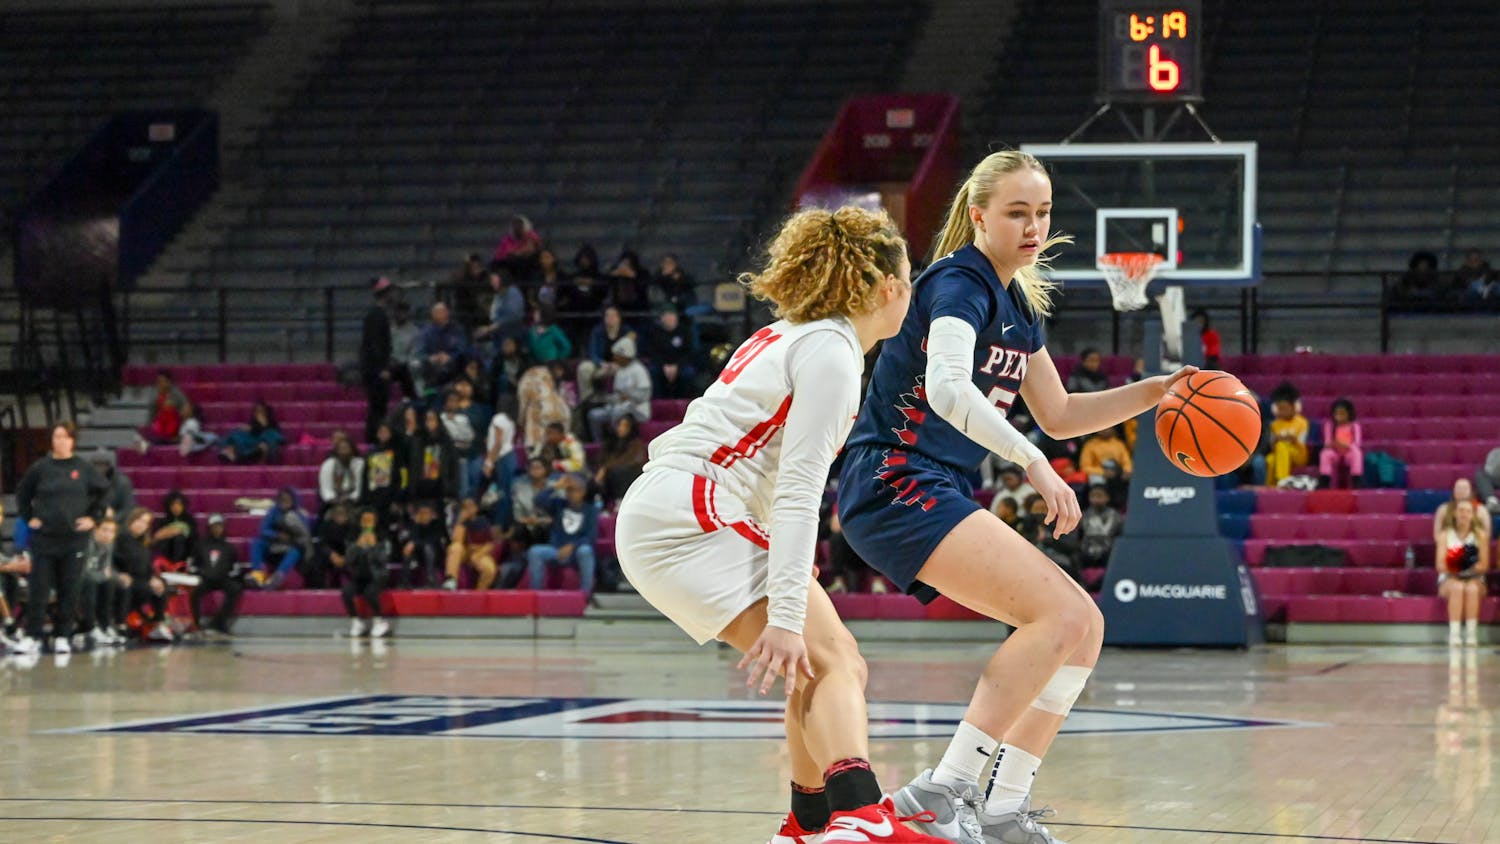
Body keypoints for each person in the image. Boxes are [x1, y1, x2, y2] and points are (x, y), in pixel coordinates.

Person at [836, 151, 1196, 843]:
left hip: (931, 483)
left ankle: (1003, 808)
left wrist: (1154, 391)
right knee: (1057, 615)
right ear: (978, 216)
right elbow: (946, 388)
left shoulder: (1018, 303)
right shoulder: (958, 283)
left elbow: (1059, 414)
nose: (1034, 227)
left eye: (1044, 213)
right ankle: (942, 791)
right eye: (1017, 213)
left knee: (1083, 626)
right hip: (892, 478)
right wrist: (1032, 463)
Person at [616, 206, 942, 843]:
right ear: (887, 288)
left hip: (674, 510)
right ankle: (862, 816)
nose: (912, 290)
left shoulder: (791, 334)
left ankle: (809, 823)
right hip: (693, 513)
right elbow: (797, 493)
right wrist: (787, 616)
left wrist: (791, 605)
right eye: (908, 278)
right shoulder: (831, 352)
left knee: (820, 664)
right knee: (835, 658)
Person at [11, 421, 111, 655]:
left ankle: (62, 635)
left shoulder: (83, 468)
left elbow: (104, 491)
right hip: (44, 539)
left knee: (70, 588)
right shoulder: (40, 468)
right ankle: (33, 636)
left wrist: (94, 518)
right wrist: (29, 517)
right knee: (39, 588)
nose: (60, 441)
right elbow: (22, 493)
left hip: (73, 539)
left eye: (65, 437)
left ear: (72, 440)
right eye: (57, 437)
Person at [528, 474, 598, 594]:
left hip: (576, 552)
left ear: (583, 492)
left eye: (575, 490)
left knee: (586, 551)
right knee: (534, 551)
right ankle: (537, 594)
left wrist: (572, 546)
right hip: (557, 550)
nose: (571, 494)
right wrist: (555, 486)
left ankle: (585, 595)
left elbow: (590, 537)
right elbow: (538, 500)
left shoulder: (591, 510)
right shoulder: (558, 505)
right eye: (569, 490)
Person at [1438, 498, 1489, 647]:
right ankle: (1454, 634)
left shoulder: (1480, 535)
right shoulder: (1445, 535)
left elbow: (1484, 565)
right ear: (1454, 513)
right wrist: (1461, 566)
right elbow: (1440, 565)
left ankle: (1471, 635)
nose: (1464, 514)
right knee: (1457, 587)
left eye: (1467, 511)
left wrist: (1461, 566)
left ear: (1473, 515)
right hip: (1449, 578)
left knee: (1471, 589)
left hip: (1475, 577)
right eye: (1461, 510)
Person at [116, 507, 171, 642]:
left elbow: (147, 566)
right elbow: (121, 562)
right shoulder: (121, 537)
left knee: (161, 585)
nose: (142, 525)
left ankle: (158, 623)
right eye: (140, 520)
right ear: (132, 520)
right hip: (123, 577)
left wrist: (153, 578)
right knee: (140, 587)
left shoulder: (142, 543)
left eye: (146, 523)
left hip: (140, 578)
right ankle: (121, 625)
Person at [586, 336, 652, 443]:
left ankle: (616, 443)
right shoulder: (620, 370)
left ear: (625, 355)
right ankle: (599, 443)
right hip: (619, 406)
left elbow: (645, 395)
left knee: (617, 413)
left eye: (617, 355)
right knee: (594, 415)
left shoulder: (639, 370)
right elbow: (617, 394)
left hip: (637, 409)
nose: (614, 358)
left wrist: (629, 396)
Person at [190, 513, 245, 637]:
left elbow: (236, 567)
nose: (217, 529)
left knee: (235, 588)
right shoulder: (200, 545)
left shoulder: (229, 547)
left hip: (223, 579)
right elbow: (192, 564)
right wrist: (200, 574)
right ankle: (196, 623)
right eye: (214, 526)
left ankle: (218, 623)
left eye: (220, 526)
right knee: (194, 591)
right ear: (209, 528)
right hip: (205, 579)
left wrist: (227, 575)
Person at [342, 508, 392, 638]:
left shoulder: (382, 538)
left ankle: (379, 620)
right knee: (347, 592)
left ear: (375, 523)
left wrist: (374, 547)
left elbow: (384, 560)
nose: (367, 524)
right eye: (364, 521)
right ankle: (356, 621)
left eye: (370, 521)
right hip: (360, 576)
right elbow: (348, 560)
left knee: (370, 592)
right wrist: (357, 546)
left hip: (378, 576)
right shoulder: (353, 538)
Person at [250, 488, 312, 590]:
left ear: (293, 501)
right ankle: (258, 574)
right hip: (274, 545)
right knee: (257, 542)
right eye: (282, 499)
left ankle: (278, 576)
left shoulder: (299, 515)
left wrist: (291, 538)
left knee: (297, 550)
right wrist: (277, 535)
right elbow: (263, 530)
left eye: (288, 499)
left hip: (291, 547)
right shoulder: (273, 512)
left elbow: (304, 537)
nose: (285, 502)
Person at [80, 518, 126, 647]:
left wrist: (115, 576)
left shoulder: (109, 545)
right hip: (79, 579)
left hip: (95, 578)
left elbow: (107, 568)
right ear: (95, 530)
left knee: (112, 583)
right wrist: (104, 575)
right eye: (104, 530)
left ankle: (106, 625)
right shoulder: (85, 543)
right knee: (90, 583)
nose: (108, 534)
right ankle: (91, 627)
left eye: (112, 531)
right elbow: (84, 571)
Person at [577, 306, 635, 404]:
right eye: (607, 316)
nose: (610, 318)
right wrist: (601, 363)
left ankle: (622, 400)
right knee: (583, 368)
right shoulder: (597, 331)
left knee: (626, 370)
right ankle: (587, 400)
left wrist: (619, 364)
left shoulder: (627, 332)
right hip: (601, 365)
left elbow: (631, 352)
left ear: (619, 318)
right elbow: (592, 352)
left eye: (613, 316)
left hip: (619, 364)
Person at [443, 498, 499, 591]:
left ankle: (480, 592)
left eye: (471, 507)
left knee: (489, 569)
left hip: (480, 552)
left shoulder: (483, 521)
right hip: (465, 551)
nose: (468, 510)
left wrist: (478, 554)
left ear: (476, 508)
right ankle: (451, 580)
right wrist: (461, 521)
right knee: (455, 548)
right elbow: (457, 540)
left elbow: (490, 544)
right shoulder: (460, 523)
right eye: (465, 508)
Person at [407, 409, 460, 506]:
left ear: (438, 421)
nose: (429, 423)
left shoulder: (446, 441)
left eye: (432, 419)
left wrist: (451, 489)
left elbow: (454, 466)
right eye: (427, 419)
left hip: (441, 489)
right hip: (421, 489)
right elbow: (412, 466)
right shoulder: (417, 440)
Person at [646, 305, 699, 399]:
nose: (670, 318)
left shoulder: (684, 331)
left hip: (681, 364)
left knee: (688, 373)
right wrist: (664, 365)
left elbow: (689, 352)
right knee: (653, 372)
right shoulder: (655, 332)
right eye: (667, 316)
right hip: (661, 365)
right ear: (661, 318)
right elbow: (652, 352)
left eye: (672, 315)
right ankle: (659, 402)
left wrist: (677, 365)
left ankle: (684, 402)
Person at [415, 301, 470, 393]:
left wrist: (450, 357)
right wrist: (431, 358)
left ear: (447, 313)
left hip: (453, 367)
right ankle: (431, 396)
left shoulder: (457, 330)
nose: (441, 314)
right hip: (433, 369)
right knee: (426, 369)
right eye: (437, 311)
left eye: (443, 311)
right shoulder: (426, 332)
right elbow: (419, 353)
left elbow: (463, 349)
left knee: (463, 360)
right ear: (433, 315)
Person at [363, 421, 406, 531]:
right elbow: (366, 476)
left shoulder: (397, 453)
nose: (383, 434)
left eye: (386, 432)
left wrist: (397, 499)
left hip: (390, 497)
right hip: (374, 497)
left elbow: (401, 477)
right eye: (381, 432)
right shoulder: (371, 453)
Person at [517, 365, 573, 451]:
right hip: (561, 410)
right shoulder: (548, 373)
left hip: (540, 410)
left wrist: (520, 422)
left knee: (537, 447)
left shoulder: (527, 377)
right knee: (561, 446)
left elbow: (523, 401)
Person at [596, 415, 647, 505]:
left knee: (619, 471)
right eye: (619, 425)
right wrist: (604, 468)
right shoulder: (613, 442)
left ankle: (621, 500)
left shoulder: (636, 443)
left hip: (629, 474)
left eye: (625, 426)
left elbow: (630, 461)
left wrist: (606, 468)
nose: (621, 428)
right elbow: (605, 459)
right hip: (613, 474)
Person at [397, 501, 448, 587]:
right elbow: (410, 539)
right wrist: (416, 524)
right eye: (422, 513)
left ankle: (431, 580)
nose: (424, 516)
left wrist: (414, 542)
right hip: (419, 555)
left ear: (432, 514)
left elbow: (432, 541)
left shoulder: (437, 525)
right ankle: (404, 581)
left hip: (435, 555)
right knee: (408, 549)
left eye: (427, 513)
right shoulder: (414, 525)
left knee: (427, 548)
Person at [1266, 388, 1310, 487]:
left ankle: (1282, 481)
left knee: (1281, 445)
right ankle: (1269, 487)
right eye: (1279, 409)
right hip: (1280, 454)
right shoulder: (1274, 424)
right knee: (1270, 460)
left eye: (1284, 408)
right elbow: (1272, 447)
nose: (1281, 411)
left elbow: (1301, 442)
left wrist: (1290, 439)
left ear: (1293, 407)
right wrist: (1279, 439)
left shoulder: (1302, 422)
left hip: (1298, 455)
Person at [219, 401, 284, 464]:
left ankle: (236, 457)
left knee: (266, 443)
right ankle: (230, 453)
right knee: (237, 434)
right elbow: (251, 434)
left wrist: (264, 428)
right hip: (250, 445)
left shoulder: (272, 427)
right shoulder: (252, 424)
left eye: (261, 411)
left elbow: (278, 439)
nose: (259, 414)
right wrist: (250, 429)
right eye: (257, 411)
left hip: (261, 448)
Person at [474, 269, 528, 345]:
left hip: (512, 337)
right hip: (498, 337)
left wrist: (490, 328)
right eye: (491, 280)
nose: (492, 282)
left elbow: (514, 315)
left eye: (494, 279)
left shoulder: (513, 292)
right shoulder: (498, 296)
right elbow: (494, 316)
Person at [308, 501, 354, 590]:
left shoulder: (352, 527)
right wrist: (332, 554)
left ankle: (357, 589)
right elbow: (322, 543)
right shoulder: (326, 525)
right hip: (329, 555)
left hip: (347, 555)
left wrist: (345, 557)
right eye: (337, 513)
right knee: (316, 561)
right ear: (333, 515)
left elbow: (354, 544)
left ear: (347, 515)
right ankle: (320, 590)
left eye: (342, 513)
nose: (339, 516)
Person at [1319, 398, 1363, 489]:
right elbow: (1327, 442)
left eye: (1342, 414)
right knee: (1325, 453)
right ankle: (1324, 480)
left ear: (1349, 414)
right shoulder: (1330, 426)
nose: (1339, 416)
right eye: (1337, 414)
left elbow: (1357, 444)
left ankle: (1356, 480)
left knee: (1357, 453)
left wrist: (1345, 445)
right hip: (1335, 452)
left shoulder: (1354, 426)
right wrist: (1333, 444)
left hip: (1348, 452)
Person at [1077, 484, 1123, 571]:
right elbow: (1080, 535)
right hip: (1086, 552)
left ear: (1107, 497)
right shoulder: (1084, 515)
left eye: (1099, 496)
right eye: (1093, 496)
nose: (1096, 499)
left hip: (1108, 553)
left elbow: (1118, 536)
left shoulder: (1115, 515)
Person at [150, 490, 199, 571]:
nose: (176, 507)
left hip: (185, 557)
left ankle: (177, 566)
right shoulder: (163, 521)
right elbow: (156, 538)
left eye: (179, 504)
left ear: (184, 506)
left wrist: (171, 532)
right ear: (168, 506)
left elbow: (194, 541)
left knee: (179, 538)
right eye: (173, 504)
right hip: (167, 557)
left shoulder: (190, 521)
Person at [318, 435, 365, 516]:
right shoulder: (328, 464)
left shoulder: (359, 463)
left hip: (354, 501)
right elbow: (326, 489)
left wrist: (350, 499)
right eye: (341, 449)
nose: (344, 452)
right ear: (337, 451)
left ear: (352, 450)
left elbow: (359, 487)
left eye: (346, 448)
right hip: (333, 501)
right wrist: (334, 500)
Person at [141, 370, 188, 447]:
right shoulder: (154, 396)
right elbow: (151, 416)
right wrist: (146, 429)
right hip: (160, 428)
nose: (159, 384)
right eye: (158, 382)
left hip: (176, 428)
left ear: (169, 382)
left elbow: (186, 411)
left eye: (162, 381)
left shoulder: (177, 394)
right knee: (141, 441)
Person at [492, 214, 542, 280]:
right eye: (515, 226)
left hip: (528, 263)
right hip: (511, 265)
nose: (517, 228)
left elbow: (532, 248)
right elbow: (500, 255)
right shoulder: (507, 239)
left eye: (520, 226)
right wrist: (516, 253)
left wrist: (519, 252)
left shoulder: (531, 235)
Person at [90, 450, 136, 519]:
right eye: (96, 465)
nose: (99, 469)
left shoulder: (123, 482)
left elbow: (128, 509)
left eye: (103, 465)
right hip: (92, 519)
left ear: (110, 466)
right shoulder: (87, 479)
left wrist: (113, 518)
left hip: (115, 520)